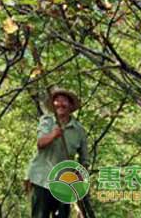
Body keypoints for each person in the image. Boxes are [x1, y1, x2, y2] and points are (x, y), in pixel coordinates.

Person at [25, 88, 89, 218]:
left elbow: (84, 160)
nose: (60, 104)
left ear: (70, 106)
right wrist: (53, 135)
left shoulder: (79, 130)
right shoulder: (47, 121)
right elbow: (40, 143)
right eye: (57, 101)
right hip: (41, 178)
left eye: (64, 101)